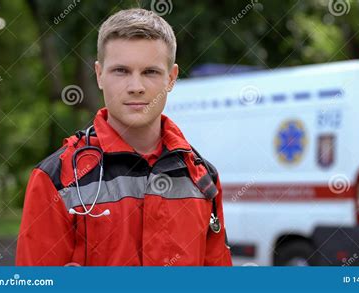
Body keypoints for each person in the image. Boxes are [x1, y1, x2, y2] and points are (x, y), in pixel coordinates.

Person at [16, 8, 232, 266]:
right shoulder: (55, 179)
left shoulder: (203, 178)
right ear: (99, 75)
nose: (136, 87)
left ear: (171, 78)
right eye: (121, 71)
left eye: (150, 72)